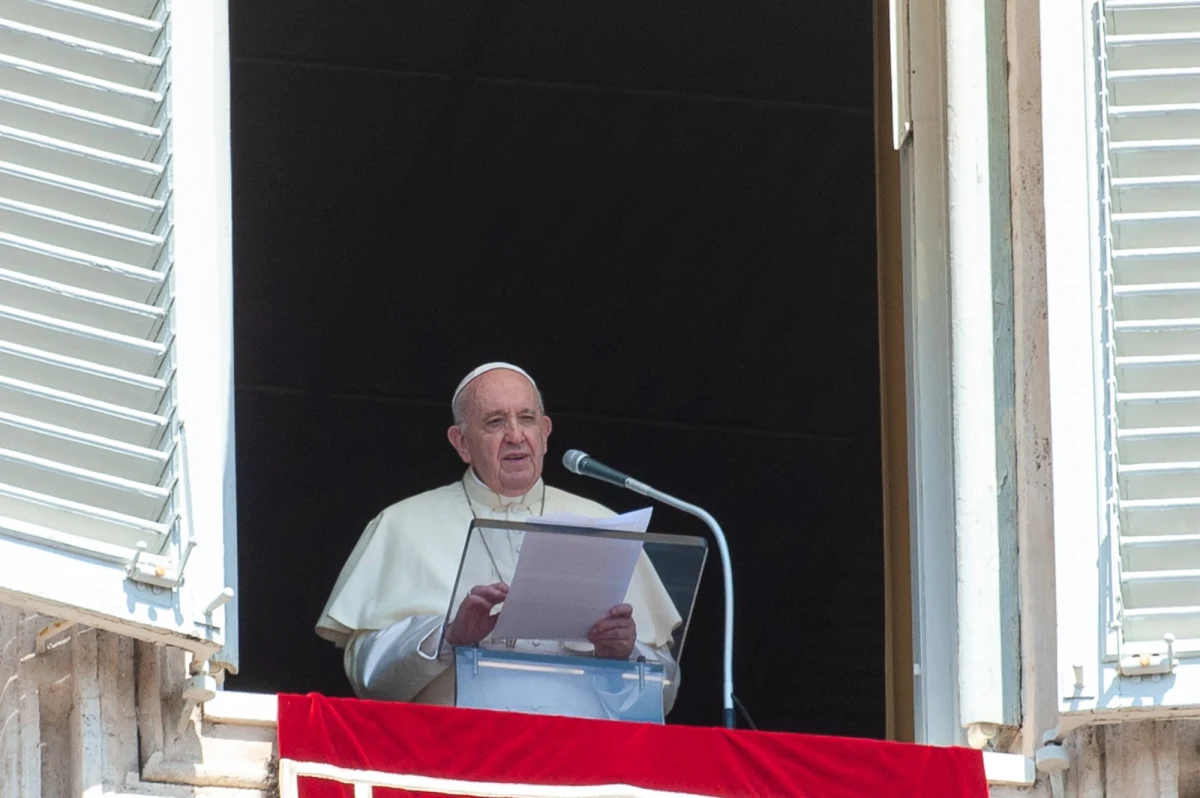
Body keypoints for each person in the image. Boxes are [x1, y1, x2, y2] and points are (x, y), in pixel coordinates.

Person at [315, 362, 683, 713]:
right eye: (495, 422)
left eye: (527, 419)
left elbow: (666, 694)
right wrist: (449, 637)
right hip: (459, 758)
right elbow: (367, 679)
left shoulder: (603, 524)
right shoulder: (402, 524)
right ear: (461, 442)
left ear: (545, 432)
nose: (515, 435)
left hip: (584, 756)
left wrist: (627, 652)